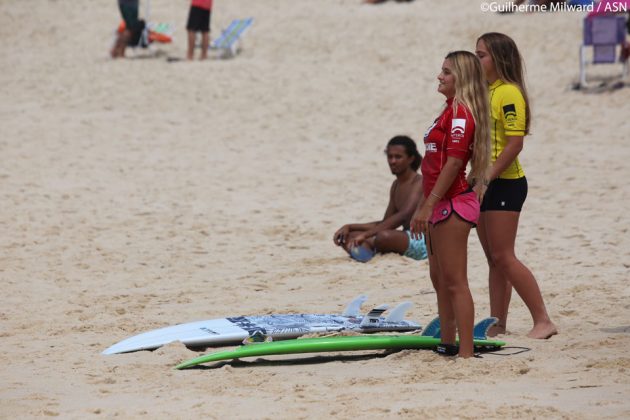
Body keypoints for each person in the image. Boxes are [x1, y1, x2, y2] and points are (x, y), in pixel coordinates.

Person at [474, 33, 557, 339]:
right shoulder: (486, 91)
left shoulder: (508, 93)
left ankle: (543, 320)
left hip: (505, 183)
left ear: (499, 59)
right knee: (493, 260)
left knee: (504, 256)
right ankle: (498, 323)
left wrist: (487, 176)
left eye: (481, 55)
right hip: (484, 183)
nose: (476, 60)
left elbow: (515, 144)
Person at [410, 51, 491, 358]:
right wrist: (425, 204)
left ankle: (466, 352)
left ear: (462, 79)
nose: (439, 76)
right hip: (438, 202)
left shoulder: (460, 114)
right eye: (440, 70)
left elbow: (455, 161)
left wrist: (428, 205)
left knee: (455, 282)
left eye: (446, 72)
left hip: (452, 204)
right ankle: (447, 341)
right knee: (439, 279)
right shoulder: (448, 111)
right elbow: (433, 165)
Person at [333, 136, 427, 264]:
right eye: (390, 156)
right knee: (346, 236)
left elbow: (403, 216)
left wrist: (366, 235)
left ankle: (367, 250)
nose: (392, 161)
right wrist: (349, 227)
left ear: (411, 159)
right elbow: (386, 222)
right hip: (404, 236)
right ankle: (366, 253)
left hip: (422, 241)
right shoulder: (396, 185)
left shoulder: (418, 182)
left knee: (383, 236)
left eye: (398, 157)